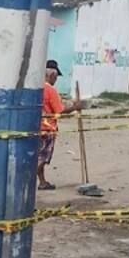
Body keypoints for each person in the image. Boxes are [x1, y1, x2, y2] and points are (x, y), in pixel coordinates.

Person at [38, 59, 82, 190]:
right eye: (56, 77)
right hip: (47, 129)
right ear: (52, 75)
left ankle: (42, 182)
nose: (56, 80)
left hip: (34, 127)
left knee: (37, 156)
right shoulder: (51, 90)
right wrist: (75, 107)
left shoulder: (36, 88)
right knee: (42, 158)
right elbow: (60, 111)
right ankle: (33, 180)